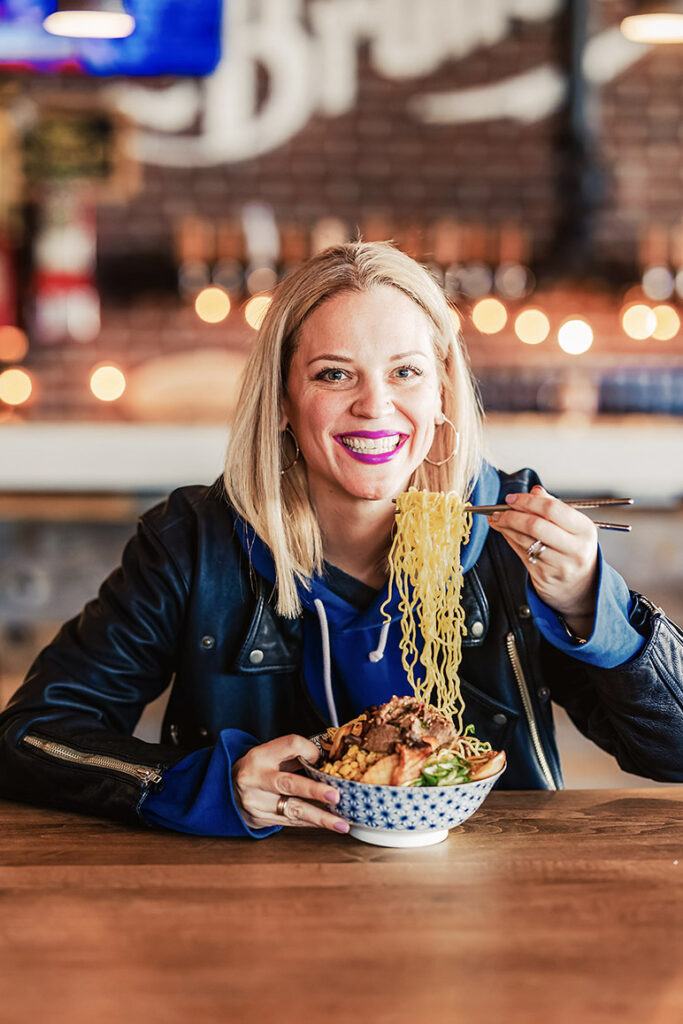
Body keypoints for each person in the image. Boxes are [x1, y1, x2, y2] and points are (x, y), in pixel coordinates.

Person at [1, 242, 681, 838]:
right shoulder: (194, 542)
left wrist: (596, 606)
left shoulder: (507, 537)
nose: (376, 405)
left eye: (405, 372)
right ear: (281, 401)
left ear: (442, 390)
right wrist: (209, 784)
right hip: (245, 905)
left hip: (491, 892)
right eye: (333, 373)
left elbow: (671, 753)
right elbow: (27, 737)